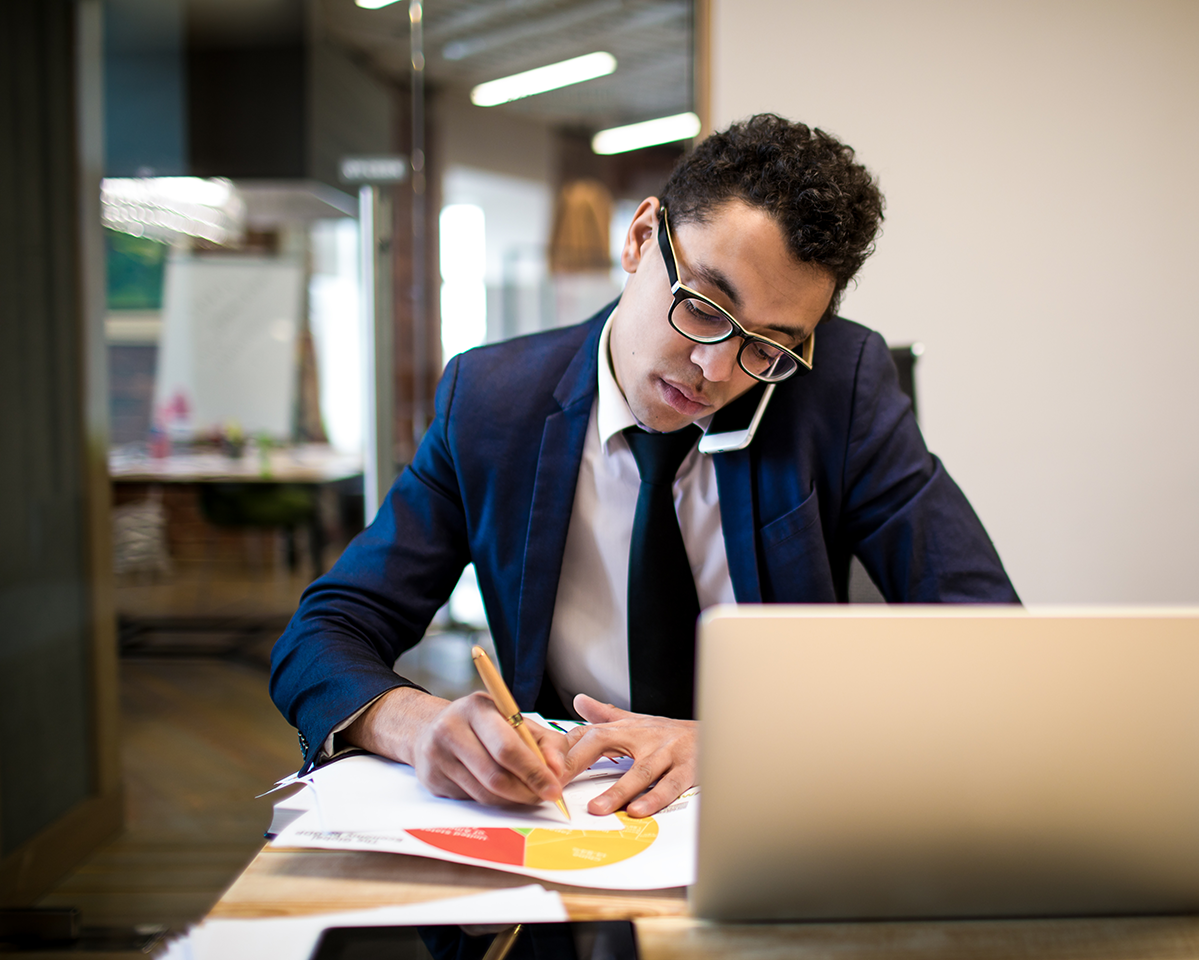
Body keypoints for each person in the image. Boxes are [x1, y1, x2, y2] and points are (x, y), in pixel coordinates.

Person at [270, 114, 1018, 823]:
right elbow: (326, 632)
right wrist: (415, 725)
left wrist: (733, 746)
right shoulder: (495, 404)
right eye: (704, 305)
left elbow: (992, 647)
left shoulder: (839, 388)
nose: (715, 367)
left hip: (775, 810)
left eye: (769, 345)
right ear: (639, 238)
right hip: (566, 814)